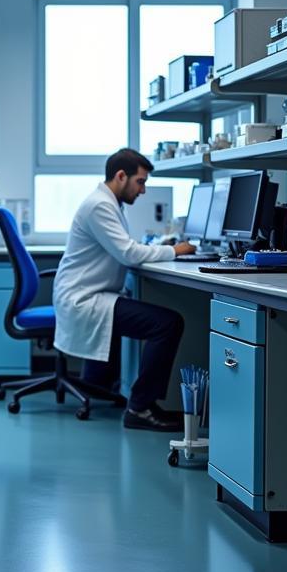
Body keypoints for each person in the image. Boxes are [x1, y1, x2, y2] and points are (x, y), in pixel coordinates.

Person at [52, 148, 195, 433]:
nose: (143, 190)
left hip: (93, 294)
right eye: (140, 182)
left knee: (155, 318)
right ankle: (140, 408)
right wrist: (175, 250)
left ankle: (106, 387)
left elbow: (124, 248)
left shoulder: (109, 203)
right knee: (167, 324)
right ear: (121, 176)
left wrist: (164, 247)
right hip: (84, 299)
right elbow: (129, 253)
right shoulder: (100, 205)